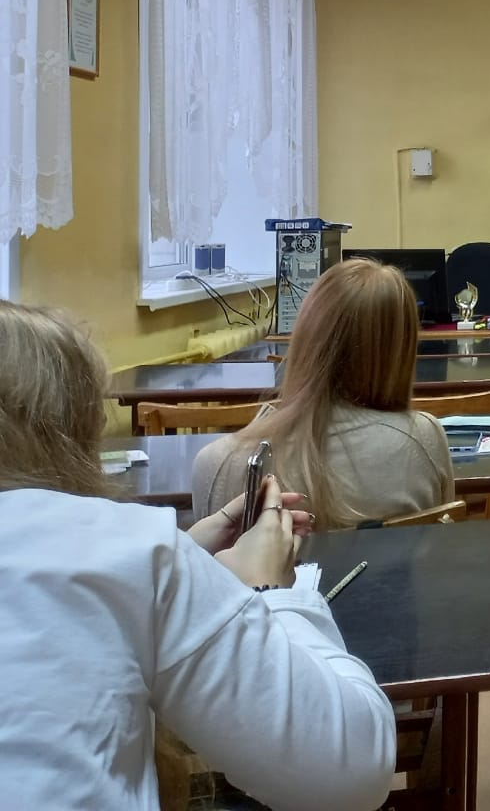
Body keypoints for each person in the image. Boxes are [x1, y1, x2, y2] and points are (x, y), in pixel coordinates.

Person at [0, 300, 395, 811]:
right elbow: (351, 772)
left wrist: (187, 554)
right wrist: (268, 592)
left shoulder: (130, 551)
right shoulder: (130, 547)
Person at [193, 257, 455, 529]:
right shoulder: (423, 439)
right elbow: (439, 543)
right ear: (401, 352)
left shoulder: (215, 462)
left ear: (305, 334)